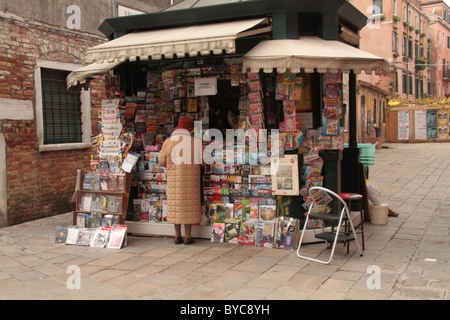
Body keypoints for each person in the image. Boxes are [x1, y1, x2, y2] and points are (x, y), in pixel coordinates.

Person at [158, 117, 203, 245]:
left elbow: (161, 161)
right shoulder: (195, 142)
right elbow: (204, 161)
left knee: (176, 207)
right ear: (190, 130)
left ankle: (177, 236)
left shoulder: (168, 142)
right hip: (191, 181)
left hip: (174, 180)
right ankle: (188, 236)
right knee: (189, 207)